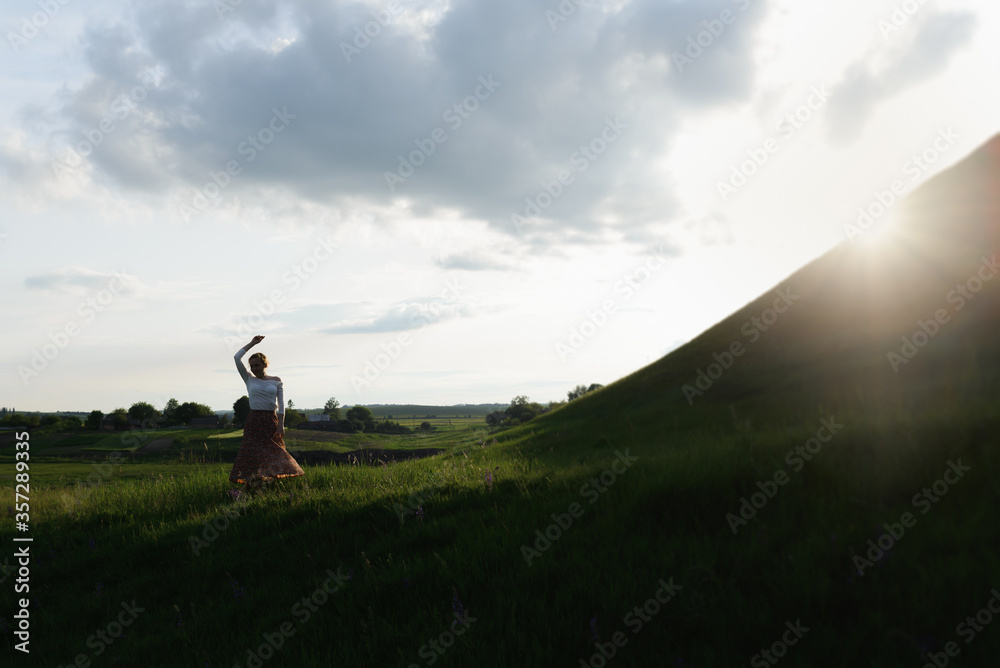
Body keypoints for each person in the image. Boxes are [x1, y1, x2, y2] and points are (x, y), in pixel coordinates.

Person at [230, 335, 304, 491]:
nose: (254, 369)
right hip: (254, 420)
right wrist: (252, 343)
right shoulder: (249, 379)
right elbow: (237, 357)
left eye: (257, 365)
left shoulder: (276, 380)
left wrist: (281, 425)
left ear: (265, 364)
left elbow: (282, 403)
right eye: (252, 366)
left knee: (274, 452)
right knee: (253, 454)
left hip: (271, 420)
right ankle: (252, 486)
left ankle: (272, 484)